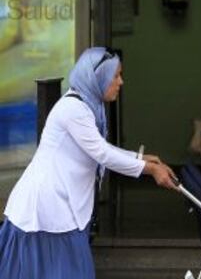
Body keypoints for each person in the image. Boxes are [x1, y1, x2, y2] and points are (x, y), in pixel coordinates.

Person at [0, 47, 177, 279]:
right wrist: (150, 169)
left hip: (60, 207)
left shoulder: (87, 105)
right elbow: (102, 153)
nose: (121, 82)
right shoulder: (74, 109)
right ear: (98, 77)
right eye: (115, 76)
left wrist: (139, 158)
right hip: (46, 210)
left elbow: (97, 147)